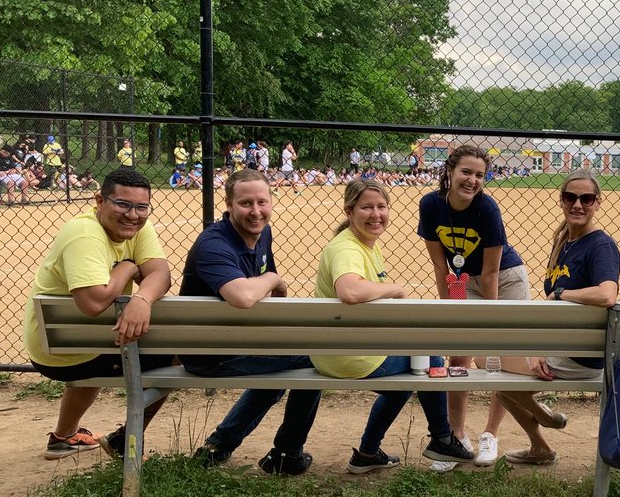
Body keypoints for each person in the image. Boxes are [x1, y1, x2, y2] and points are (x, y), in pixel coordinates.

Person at [311, 179, 463, 472]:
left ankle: (367, 453)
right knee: (427, 358)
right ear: (349, 210)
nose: (376, 214)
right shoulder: (347, 249)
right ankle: (442, 437)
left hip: (337, 350)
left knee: (403, 382)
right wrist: (395, 289)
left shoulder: (363, 244)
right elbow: (350, 291)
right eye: (367, 207)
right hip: (349, 357)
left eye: (381, 207)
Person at [23, 167, 172, 459]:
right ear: (99, 201)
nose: (133, 214)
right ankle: (125, 439)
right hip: (69, 354)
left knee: (104, 343)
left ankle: (63, 438)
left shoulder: (138, 227)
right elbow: (92, 304)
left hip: (70, 343)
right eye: (123, 204)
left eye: (141, 207)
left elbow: (161, 274)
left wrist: (141, 298)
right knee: (176, 354)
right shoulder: (83, 234)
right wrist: (127, 267)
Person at [181, 169, 323, 475]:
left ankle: (219, 447)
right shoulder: (213, 244)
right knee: (318, 359)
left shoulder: (262, 233)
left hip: (239, 340)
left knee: (287, 364)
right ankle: (287, 453)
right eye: (246, 203)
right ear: (229, 205)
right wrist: (274, 277)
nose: (256, 211)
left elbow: (264, 295)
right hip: (209, 354)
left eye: (262, 202)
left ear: (272, 201)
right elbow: (245, 296)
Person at [492, 171, 616, 466]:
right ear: (561, 200)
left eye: (586, 199)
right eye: (570, 197)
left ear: (598, 203)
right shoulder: (565, 242)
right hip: (562, 345)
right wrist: (536, 347)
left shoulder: (600, 245)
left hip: (580, 354)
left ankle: (545, 420)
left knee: (493, 368)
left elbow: (607, 295)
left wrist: (562, 295)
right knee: (495, 374)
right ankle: (540, 445)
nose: (577, 204)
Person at [418, 144, 531, 465]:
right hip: (465, 279)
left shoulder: (487, 209)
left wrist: (489, 320)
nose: (472, 180)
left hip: (504, 278)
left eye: (480, 175)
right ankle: (456, 436)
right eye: (466, 172)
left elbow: (493, 270)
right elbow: (441, 267)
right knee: (460, 353)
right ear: (449, 172)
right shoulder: (431, 205)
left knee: (502, 354)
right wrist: (449, 310)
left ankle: (490, 435)